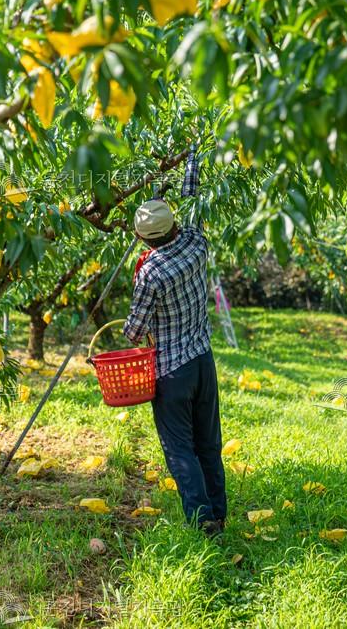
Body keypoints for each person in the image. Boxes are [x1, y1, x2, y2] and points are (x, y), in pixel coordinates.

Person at [123, 199, 227, 535]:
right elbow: (192, 197)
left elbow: (135, 332)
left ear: (144, 240)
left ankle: (203, 519)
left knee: (180, 447)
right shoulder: (196, 243)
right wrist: (192, 159)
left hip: (171, 371)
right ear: (174, 227)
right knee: (208, 442)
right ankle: (219, 512)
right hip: (202, 360)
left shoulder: (151, 273)